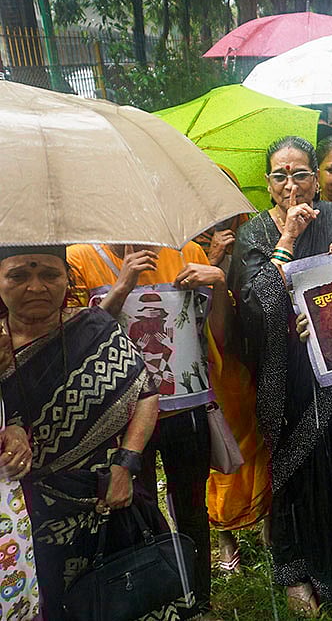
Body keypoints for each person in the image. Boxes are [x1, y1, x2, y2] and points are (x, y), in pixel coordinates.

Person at [230, 136, 332, 615]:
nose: (292, 184)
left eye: (301, 174)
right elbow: (258, 309)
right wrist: (289, 241)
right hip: (282, 370)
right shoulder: (254, 233)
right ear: (268, 184)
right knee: (295, 470)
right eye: (281, 175)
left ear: (314, 179)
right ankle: (295, 569)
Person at [0, 246, 183, 620]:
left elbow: (146, 394)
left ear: (68, 278)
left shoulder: (94, 328)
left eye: (49, 275)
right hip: (23, 520)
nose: (36, 287)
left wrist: (125, 464)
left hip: (108, 499)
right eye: (18, 276)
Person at [67, 234, 229, 618]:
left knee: (191, 508)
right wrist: (122, 285)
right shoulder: (82, 259)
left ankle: (198, 600)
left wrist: (219, 282)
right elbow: (77, 342)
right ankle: (151, 602)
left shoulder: (187, 252)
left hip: (183, 411)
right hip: (120, 420)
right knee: (134, 511)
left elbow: (218, 334)